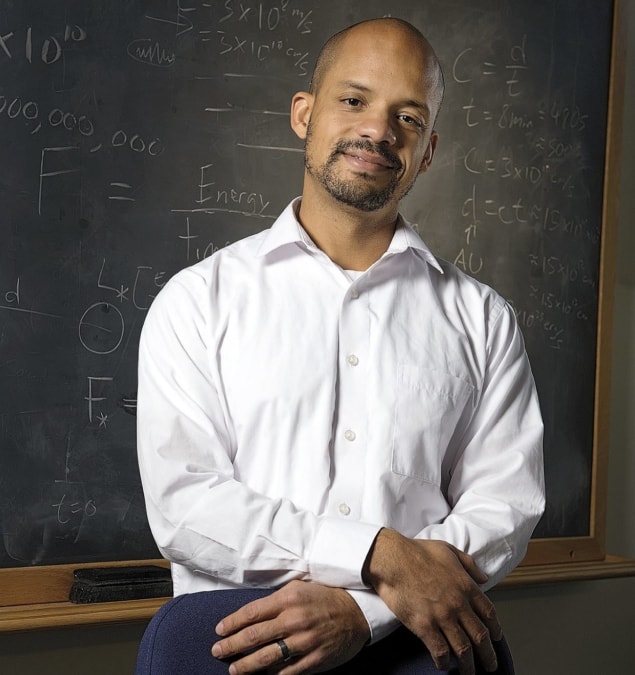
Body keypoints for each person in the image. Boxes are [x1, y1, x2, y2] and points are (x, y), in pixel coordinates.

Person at [136, 17, 545, 675]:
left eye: (407, 117)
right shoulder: (198, 301)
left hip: (419, 649)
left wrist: (365, 612)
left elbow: (503, 511)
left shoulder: (482, 319)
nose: (378, 130)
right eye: (353, 100)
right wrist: (377, 553)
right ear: (304, 113)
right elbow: (185, 508)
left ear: (428, 148)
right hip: (234, 649)